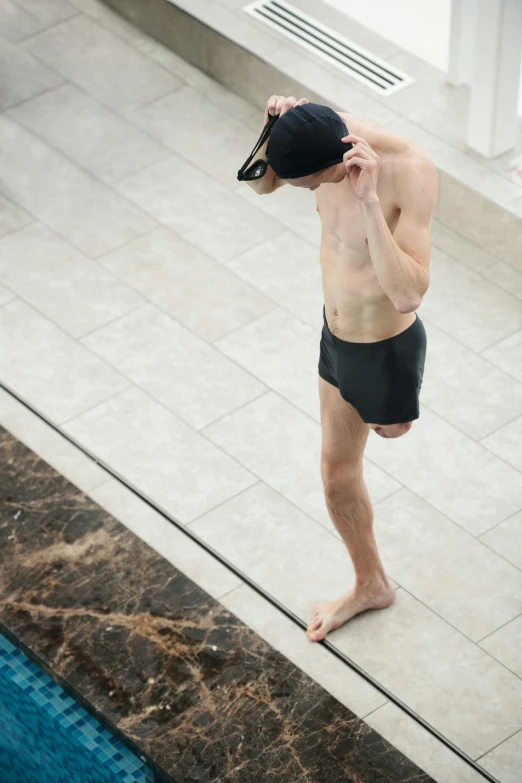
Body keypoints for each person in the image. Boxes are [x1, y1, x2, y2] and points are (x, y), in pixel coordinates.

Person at [238, 96, 438, 643]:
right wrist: (269, 130)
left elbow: (406, 295)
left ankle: (396, 409)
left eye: (308, 184)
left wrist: (370, 202)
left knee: (393, 430)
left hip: (382, 349)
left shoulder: (409, 172)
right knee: (336, 477)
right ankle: (370, 583)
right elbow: (261, 183)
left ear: (337, 163)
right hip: (335, 337)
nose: (303, 193)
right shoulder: (317, 132)